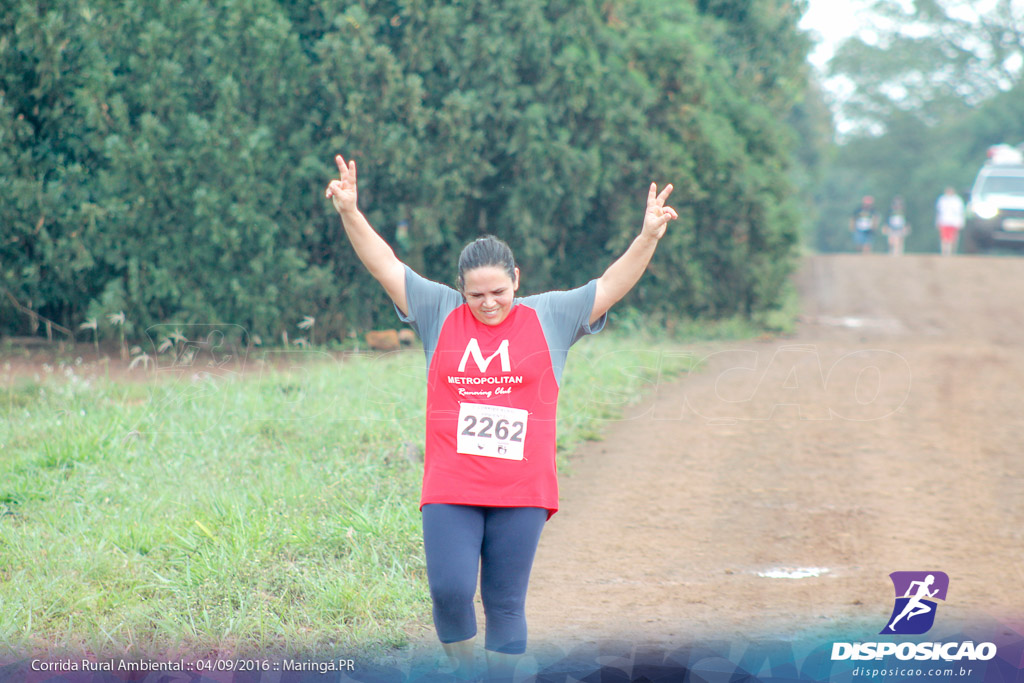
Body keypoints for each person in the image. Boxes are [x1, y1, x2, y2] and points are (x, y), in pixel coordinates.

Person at [325, 154, 678, 681]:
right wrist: (351, 211)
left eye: (499, 292)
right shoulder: (439, 310)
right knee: (448, 591)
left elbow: (611, 283)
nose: (489, 304)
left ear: (517, 279)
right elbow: (384, 263)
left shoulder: (551, 315)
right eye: (477, 295)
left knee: (505, 601)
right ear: (459, 289)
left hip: (522, 487)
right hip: (450, 482)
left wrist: (647, 236)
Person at [935, 186, 965, 256]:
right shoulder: (942, 200)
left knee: (953, 239)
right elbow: (939, 212)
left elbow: (960, 212)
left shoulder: (957, 200)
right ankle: (944, 252)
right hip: (944, 221)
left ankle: (952, 252)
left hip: (954, 222)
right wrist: (937, 221)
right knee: (944, 238)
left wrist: (961, 222)